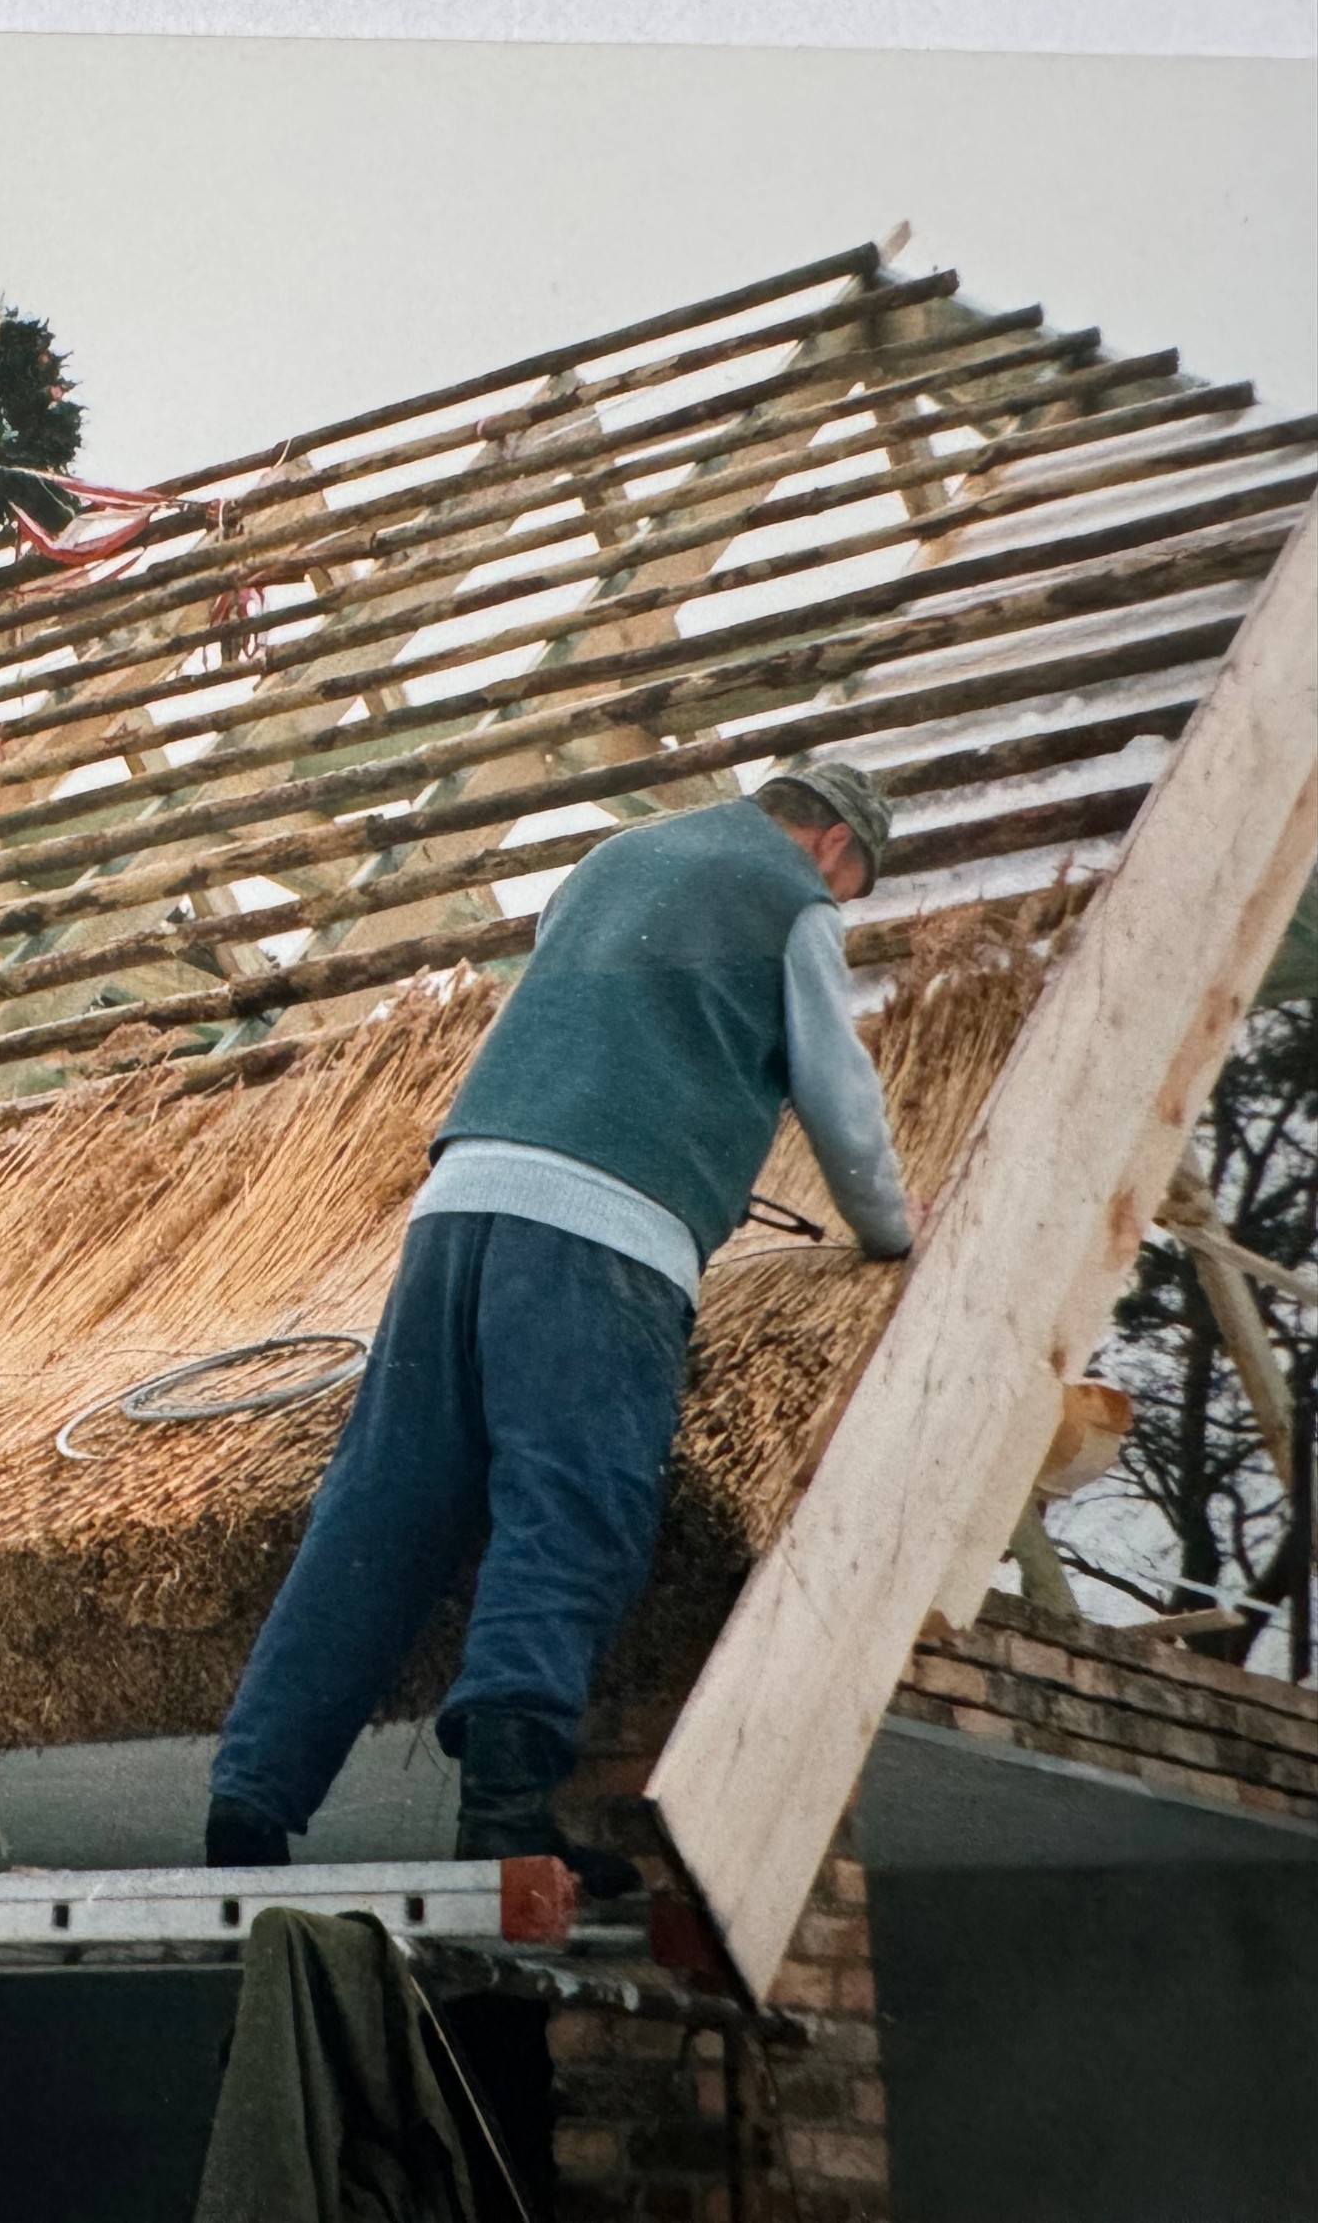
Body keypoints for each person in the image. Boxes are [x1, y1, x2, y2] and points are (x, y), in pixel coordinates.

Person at [204, 761, 919, 1892]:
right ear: (835, 843)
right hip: (603, 1230)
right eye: (854, 886)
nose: (844, 903)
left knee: (383, 1503)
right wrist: (892, 1234)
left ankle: (250, 1801)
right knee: (573, 1505)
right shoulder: (792, 900)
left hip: (457, 1207)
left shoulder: (612, 859)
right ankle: (505, 1817)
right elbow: (838, 1093)